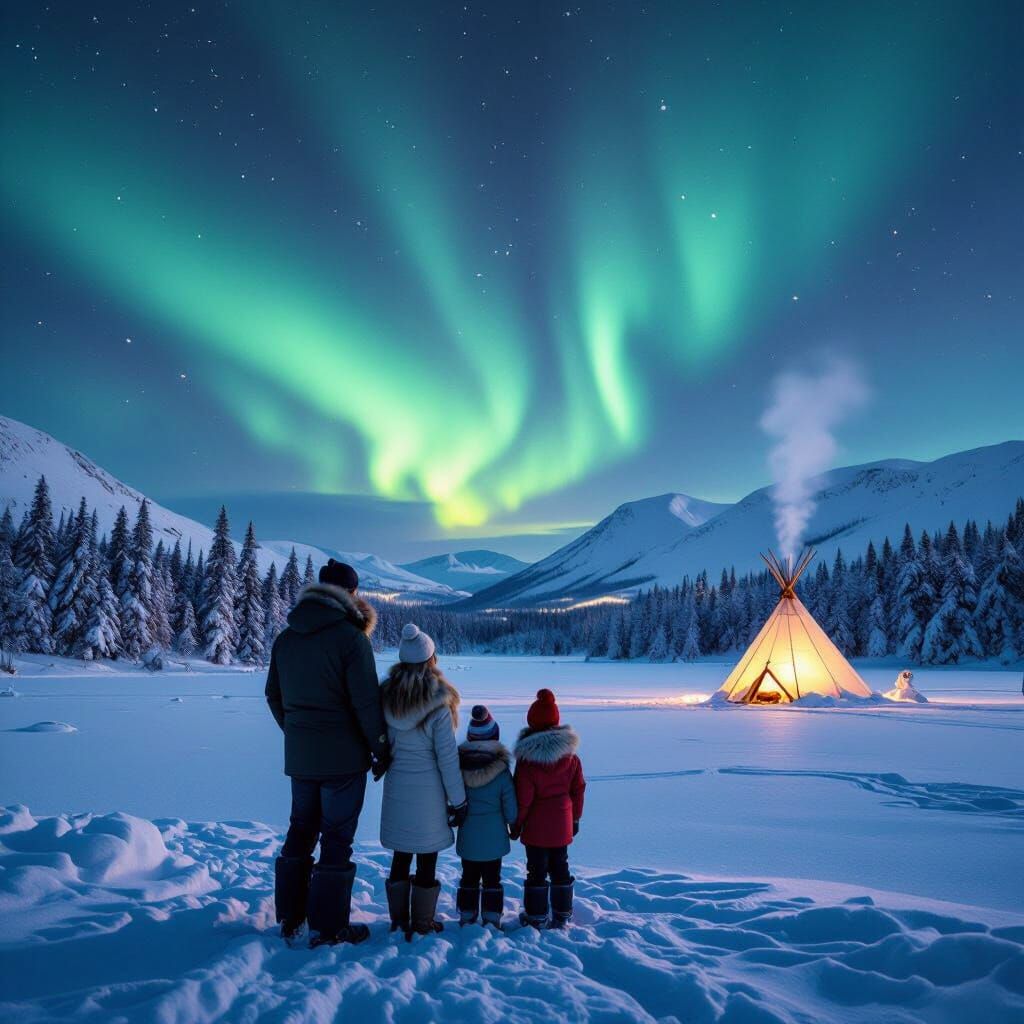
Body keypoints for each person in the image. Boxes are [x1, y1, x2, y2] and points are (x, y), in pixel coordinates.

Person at [265, 559, 390, 947]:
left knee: (300, 830)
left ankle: (291, 917)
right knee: (336, 837)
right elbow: (366, 703)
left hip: (301, 759)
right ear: (351, 593)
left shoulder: (287, 638)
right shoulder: (351, 639)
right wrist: (380, 748)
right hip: (344, 760)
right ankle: (330, 926)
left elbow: (273, 695)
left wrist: (297, 733)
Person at [380, 623, 467, 938]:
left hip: (396, 785)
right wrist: (459, 800)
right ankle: (422, 922)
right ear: (431, 659)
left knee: (401, 855)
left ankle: (398, 920)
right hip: (429, 793)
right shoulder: (438, 702)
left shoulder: (386, 697)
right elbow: (447, 758)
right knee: (427, 857)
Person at [512, 688, 586, 929]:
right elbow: (578, 790)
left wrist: (516, 824)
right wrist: (575, 818)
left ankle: (536, 915)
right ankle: (563, 913)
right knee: (560, 866)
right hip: (562, 823)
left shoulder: (527, 761)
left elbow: (523, 799)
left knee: (536, 870)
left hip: (535, 827)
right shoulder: (571, 757)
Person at [455, 705, 517, 928]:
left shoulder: (458, 768)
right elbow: (510, 806)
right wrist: (513, 824)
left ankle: (467, 914)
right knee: (492, 878)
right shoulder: (501, 771)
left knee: (469, 876)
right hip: (494, 838)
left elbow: (452, 798)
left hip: (468, 835)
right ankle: (491, 916)